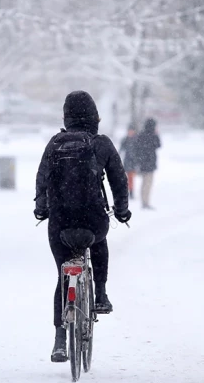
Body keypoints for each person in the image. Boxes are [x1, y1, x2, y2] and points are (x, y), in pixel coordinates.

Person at [34, 90, 131, 362]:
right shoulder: (101, 144)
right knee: (98, 243)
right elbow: (119, 180)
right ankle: (100, 294)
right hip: (92, 220)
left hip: (60, 224)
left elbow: (41, 181)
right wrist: (121, 211)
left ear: (66, 116)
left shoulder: (54, 144)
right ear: (94, 117)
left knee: (63, 276)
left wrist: (42, 209)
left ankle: (59, 340)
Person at [134, 118, 161, 209]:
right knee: (148, 183)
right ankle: (145, 202)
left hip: (142, 163)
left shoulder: (141, 135)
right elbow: (158, 145)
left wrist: (138, 161)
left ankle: (144, 200)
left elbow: (137, 148)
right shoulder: (153, 135)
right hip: (150, 163)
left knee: (144, 183)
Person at [119, 124, 138, 199]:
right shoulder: (125, 139)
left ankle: (131, 191)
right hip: (127, 161)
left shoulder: (136, 139)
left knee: (131, 177)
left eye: (132, 131)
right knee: (126, 178)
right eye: (129, 131)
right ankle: (128, 191)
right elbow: (121, 149)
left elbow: (138, 151)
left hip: (134, 162)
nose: (130, 132)